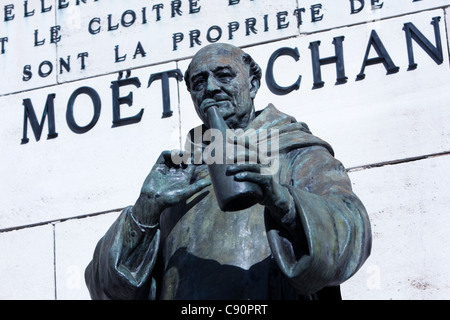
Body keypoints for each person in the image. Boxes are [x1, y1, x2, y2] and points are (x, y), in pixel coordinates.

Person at [85, 43, 371, 300]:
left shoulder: (294, 150)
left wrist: (282, 201)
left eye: (224, 75)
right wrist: (143, 215)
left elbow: (352, 234)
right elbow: (106, 292)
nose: (210, 88)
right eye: (199, 82)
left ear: (254, 84)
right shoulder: (178, 172)